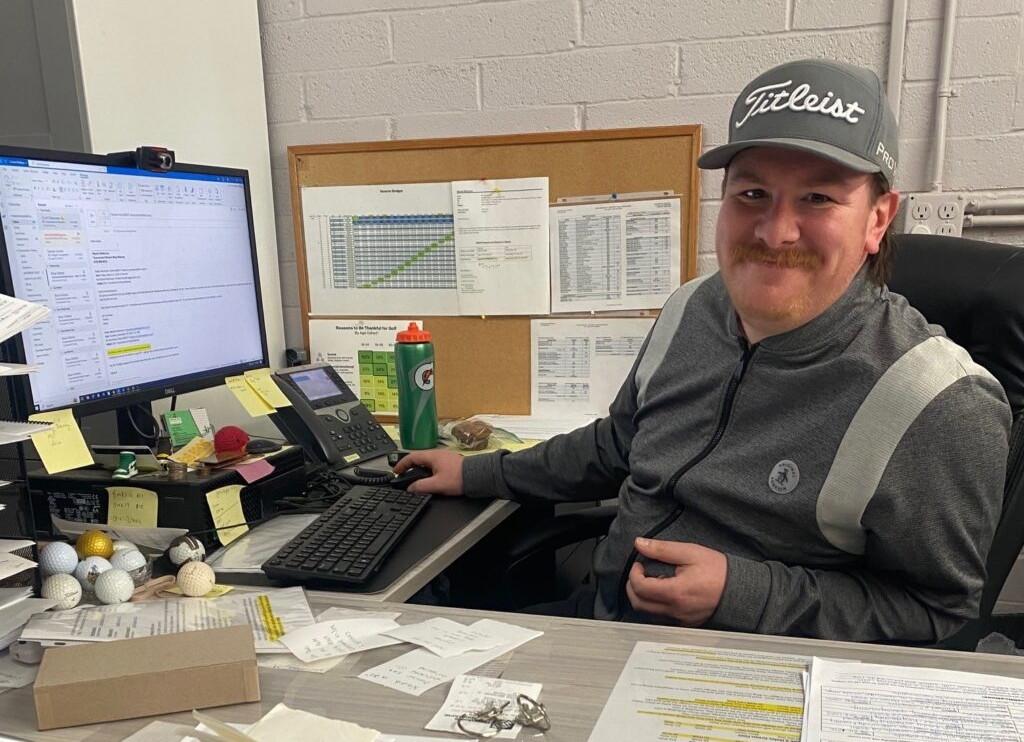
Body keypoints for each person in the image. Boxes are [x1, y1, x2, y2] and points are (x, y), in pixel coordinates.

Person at [395, 58, 1011, 643]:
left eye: (818, 198)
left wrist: (744, 592)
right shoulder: (692, 309)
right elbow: (618, 443)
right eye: (752, 195)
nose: (775, 231)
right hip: (603, 622)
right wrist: (477, 472)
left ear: (878, 219)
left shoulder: (937, 403)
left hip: (743, 674)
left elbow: (939, 610)